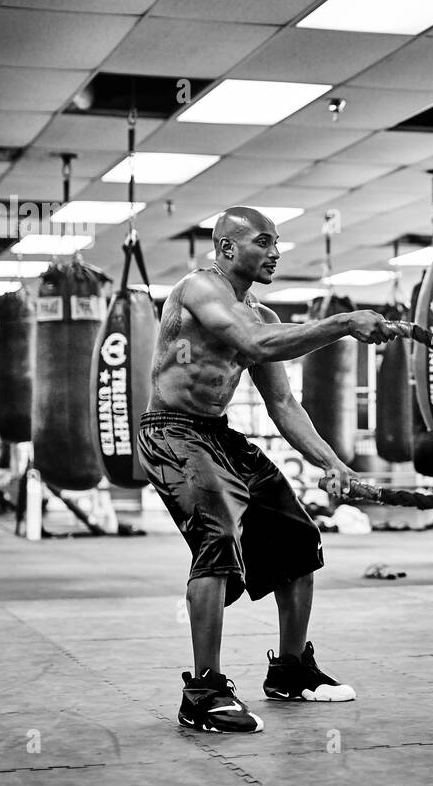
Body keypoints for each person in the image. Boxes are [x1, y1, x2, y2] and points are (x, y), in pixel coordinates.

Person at [138, 206, 395, 733]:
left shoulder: (265, 317)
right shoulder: (199, 290)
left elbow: (283, 405)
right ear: (228, 248)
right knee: (218, 534)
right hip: (169, 430)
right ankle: (203, 692)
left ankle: (291, 670)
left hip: (217, 434)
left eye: (278, 242)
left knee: (298, 537)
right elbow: (252, 345)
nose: (275, 252)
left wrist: (333, 464)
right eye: (264, 241)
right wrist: (343, 323)